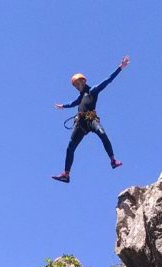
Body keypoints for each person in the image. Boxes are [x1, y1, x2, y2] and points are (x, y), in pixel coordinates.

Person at [52, 55, 130, 183]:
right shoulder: (80, 97)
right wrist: (63, 106)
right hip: (81, 124)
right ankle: (66, 174)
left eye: (78, 83)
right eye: (75, 85)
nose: (77, 86)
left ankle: (113, 160)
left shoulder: (92, 91)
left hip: (91, 119)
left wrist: (120, 68)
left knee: (102, 133)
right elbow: (73, 103)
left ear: (83, 81)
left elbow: (107, 80)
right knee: (70, 147)